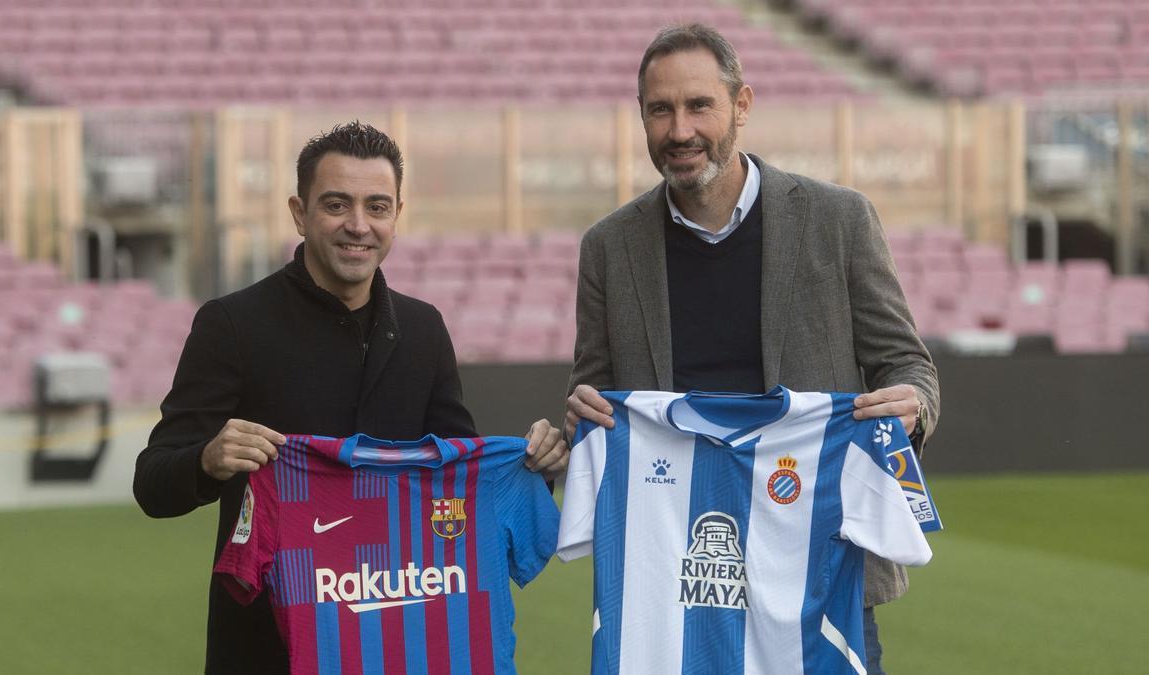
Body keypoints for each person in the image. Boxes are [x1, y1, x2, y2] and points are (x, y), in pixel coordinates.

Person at [563, 24, 939, 675]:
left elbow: (907, 363)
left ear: (741, 105)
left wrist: (915, 404)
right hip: (674, 589)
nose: (679, 129)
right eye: (660, 110)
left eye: (698, 105)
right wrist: (579, 419)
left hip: (817, 575)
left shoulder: (838, 220)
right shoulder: (609, 247)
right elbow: (595, 393)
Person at [133, 121, 569, 674]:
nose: (358, 226)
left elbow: (461, 480)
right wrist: (207, 460)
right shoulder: (232, 326)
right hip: (268, 650)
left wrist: (533, 467)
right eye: (337, 205)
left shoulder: (423, 329)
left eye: (377, 207)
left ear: (396, 216)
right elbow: (152, 483)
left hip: (400, 644)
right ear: (300, 212)